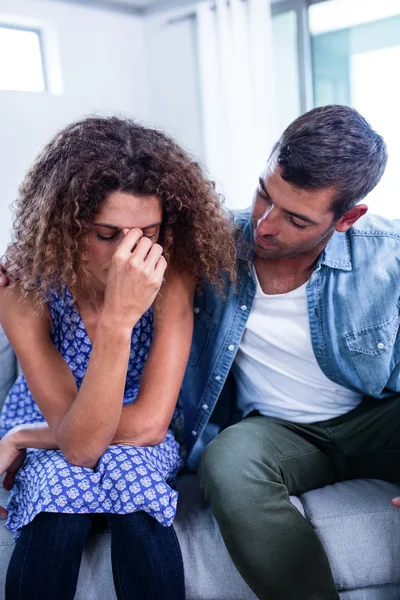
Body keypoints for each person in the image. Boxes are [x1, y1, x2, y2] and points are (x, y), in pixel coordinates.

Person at [0, 116, 236, 600]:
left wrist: (25, 437)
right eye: (108, 235)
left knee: (134, 478)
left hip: (122, 431)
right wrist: (119, 320)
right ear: (67, 228)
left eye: (147, 232)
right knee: (58, 485)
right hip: (59, 419)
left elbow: (149, 425)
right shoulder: (24, 288)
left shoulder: (170, 273)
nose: (131, 255)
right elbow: (80, 446)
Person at [178, 105, 400, 600]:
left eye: (297, 218)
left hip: (375, 419)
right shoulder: (212, 243)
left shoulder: (390, 255)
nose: (266, 225)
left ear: (347, 218)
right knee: (226, 461)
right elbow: (104, 245)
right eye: (263, 194)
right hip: (277, 433)